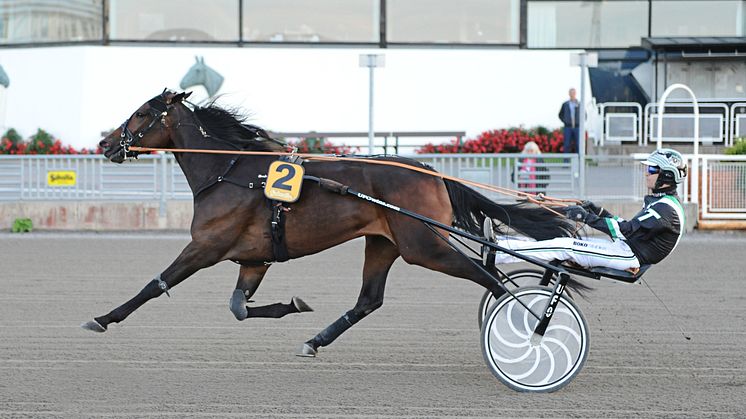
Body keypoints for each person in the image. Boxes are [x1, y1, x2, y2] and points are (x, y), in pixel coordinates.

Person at [487, 148, 687, 272]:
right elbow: (628, 227)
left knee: (564, 245)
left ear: (666, 176)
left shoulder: (665, 210)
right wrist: (598, 212)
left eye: (651, 170)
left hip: (629, 256)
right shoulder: (661, 201)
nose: (646, 173)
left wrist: (587, 218)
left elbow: (625, 230)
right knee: (560, 239)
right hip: (625, 248)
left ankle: (500, 253)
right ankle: (502, 243)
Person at [558, 88, 580, 154]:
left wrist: (579, 122)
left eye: (573, 93)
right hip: (568, 127)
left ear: (575, 94)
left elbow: (584, 115)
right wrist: (565, 121)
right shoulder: (565, 104)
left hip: (577, 127)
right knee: (567, 144)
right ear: (569, 94)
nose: (572, 94)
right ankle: (566, 162)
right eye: (571, 93)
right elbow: (560, 114)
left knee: (578, 144)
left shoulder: (579, 104)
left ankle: (579, 162)